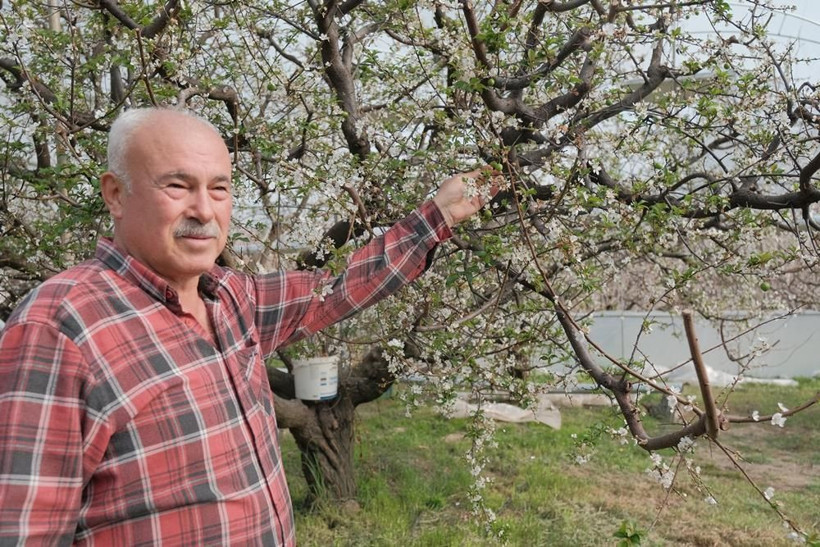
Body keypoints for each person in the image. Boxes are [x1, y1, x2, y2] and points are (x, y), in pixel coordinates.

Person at [0, 107, 492, 545]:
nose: (204, 210)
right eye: (178, 186)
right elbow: (24, 527)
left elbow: (338, 290)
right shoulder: (60, 329)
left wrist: (438, 216)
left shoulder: (230, 297)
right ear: (116, 195)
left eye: (219, 189)